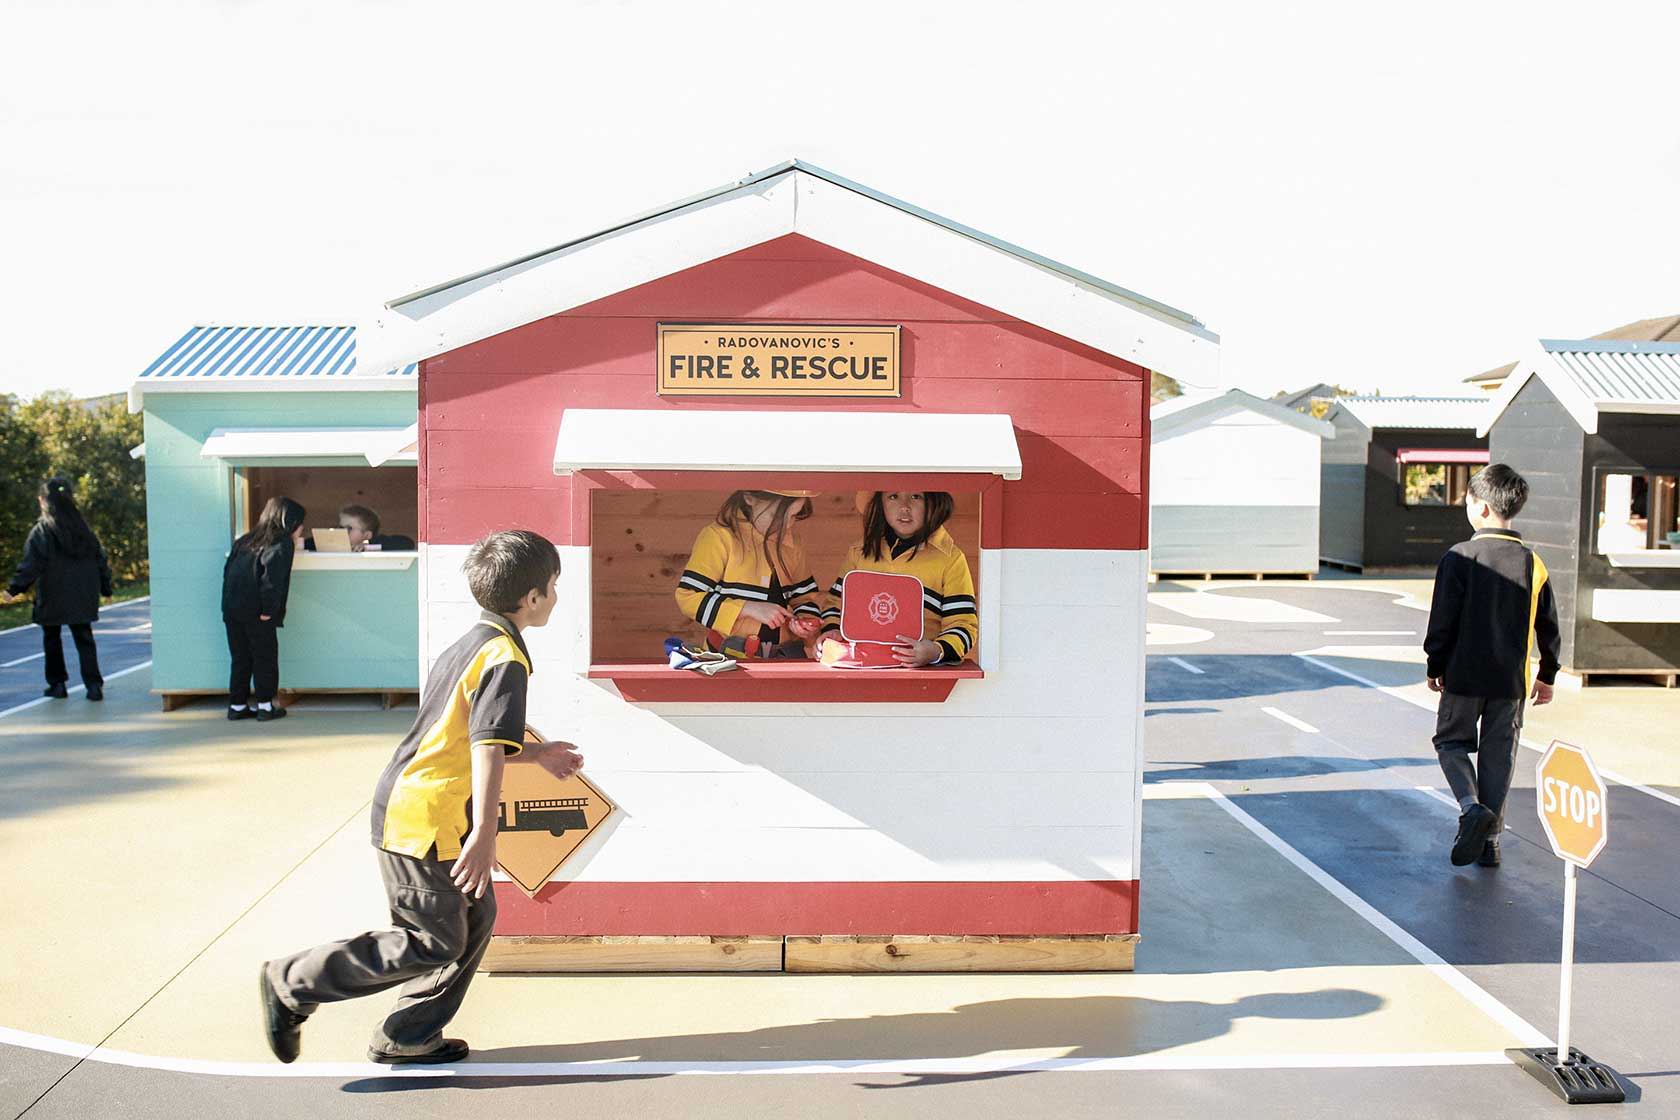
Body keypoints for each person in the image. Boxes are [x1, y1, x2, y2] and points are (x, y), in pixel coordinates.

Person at [259, 529, 584, 1065]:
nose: (554, 595)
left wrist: (536, 756)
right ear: (532, 598)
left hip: (427, 806)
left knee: (475, 918)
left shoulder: (473, 643)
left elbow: (458, 739)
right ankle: (292, 982)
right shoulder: (505, 657)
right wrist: (485, 833)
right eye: (553, 585)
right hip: (423, 817)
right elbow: (481, 747)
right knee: (431, 940)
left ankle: (408, 1035)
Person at [1424, 464, 1561, 868]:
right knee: (1498, 759)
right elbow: (1549, 624)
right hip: (1510, 683)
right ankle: (1491, 844)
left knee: (1450, 743)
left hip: (1463, 677)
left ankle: (1470, 809)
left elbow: (1442, 621)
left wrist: (1435, 664)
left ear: (1481, 507)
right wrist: (1548, 674)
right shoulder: (1532, 564)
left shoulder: (1459, 557)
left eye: (1467, 500)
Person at [816, 491, 978, 666]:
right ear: (880, 503)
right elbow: (836, 605)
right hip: (862, 668)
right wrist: (832, 630)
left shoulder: (951, 559)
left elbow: (963, 624)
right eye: (893, 496)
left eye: (916, 497)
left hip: (923, 674)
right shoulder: (859, 552)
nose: (904, 507)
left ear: (934, 502)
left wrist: (936, 651)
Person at [674, 490, 825, 658]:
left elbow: (804, 599)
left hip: (785, 659)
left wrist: (805, 622)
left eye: (793, 516)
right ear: (749, 498)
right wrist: (747, 608)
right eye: (777, 515)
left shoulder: (794, 544)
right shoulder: (719, 537)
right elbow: (688, 597)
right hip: (727, 659)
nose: (786, 525)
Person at [3, 478, 113, 700]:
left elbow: (31, 563)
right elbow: (100, 559)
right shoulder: (84, 530)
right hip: (83, 593)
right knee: (84, 638)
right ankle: (93, 686)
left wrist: (14, 589)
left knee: (52, 638)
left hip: (53, 593)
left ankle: (58, 685)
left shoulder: (42, 530)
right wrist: (106, 588)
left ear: (44, 501)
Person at [221, 497, 305, 722]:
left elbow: (227, 572)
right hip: (258, 611)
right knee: (264, 658)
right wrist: (269, 610)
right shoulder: (281, 543)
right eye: (300, 523)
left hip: (232, 610)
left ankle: (237, 705)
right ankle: (266, 706)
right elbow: (272, 579)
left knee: (241, 658)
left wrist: (226, 607)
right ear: (291, 522)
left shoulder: (245, 540)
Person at [338, 504, 416, 552]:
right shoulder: (336, 546)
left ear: (367, 535)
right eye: (340, 527)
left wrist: (368, 547)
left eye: (349, 528)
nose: (342, 531)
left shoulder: (375, 543)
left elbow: (407, 543)